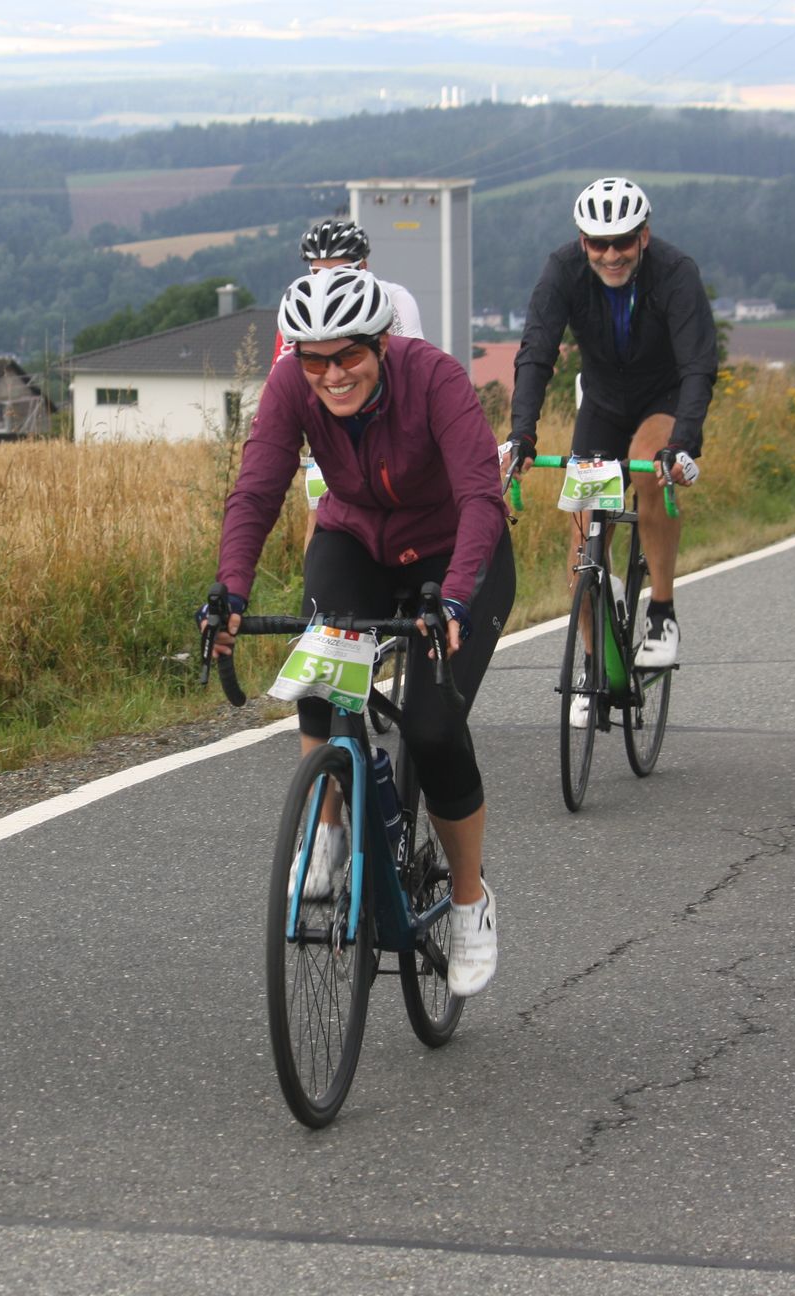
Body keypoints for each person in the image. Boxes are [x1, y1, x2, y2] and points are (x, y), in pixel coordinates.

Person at [210, 268, 514, 998]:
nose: (332, 374)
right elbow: (257, 489)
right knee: (319, 676)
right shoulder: (291, 386)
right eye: (314, 359)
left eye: (348, 354)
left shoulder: (434, 378)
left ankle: (469, 899)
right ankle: (330, 833)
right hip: (355, 542)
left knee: (433, 729)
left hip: (452, 552)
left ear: (380, 343)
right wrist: (230, 591)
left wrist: (456, 603)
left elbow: (481, 497)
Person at [508, 177, 716, 689]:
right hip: (602, 403)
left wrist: (682, 444)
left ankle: (662, 613)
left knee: (648, 465)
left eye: (622, 241)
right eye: (598, 244)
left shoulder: (675, 272)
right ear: (583, 242)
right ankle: (593, 665)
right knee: (581, 546)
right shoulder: (563, 270)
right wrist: (523, 433)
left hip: (664, 400)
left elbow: (698, 366)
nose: (611, 255)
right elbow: (537, 351)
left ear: (643, 236)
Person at [285, 218, 427, 553]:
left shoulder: (394, 299)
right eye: (316, 273)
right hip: (333, 422)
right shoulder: (303, 305)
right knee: (318, 514)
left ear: (364, 267)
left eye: (339, 271)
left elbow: (414, 365)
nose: (326, 281)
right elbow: (285, 371)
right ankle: (316, 586)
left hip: (386, 419)